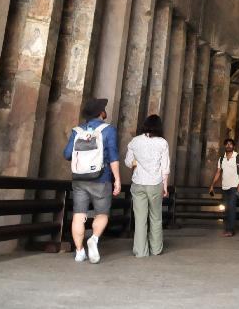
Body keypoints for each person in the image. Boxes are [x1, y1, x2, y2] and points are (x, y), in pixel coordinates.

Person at [63, 98, 121, 264]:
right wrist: (116, 179)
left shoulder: (77, 131)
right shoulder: (108, 130)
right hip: (101, 179)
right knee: (102, 214)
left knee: (78, 215)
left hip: (79, 180)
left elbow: (67, 154)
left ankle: (79, 252)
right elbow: (113, 157)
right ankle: (94, 239)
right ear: (101, 113)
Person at [124, 114, 170, 257]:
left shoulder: (135, 141)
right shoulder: (162, 143)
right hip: (155, 183)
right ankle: (156, 249)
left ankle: (140, 251)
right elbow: (165, 168)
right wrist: (165, 186)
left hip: (138, 183)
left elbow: (127, 162)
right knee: (156, 217)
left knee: (140, 219)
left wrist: (137, 163)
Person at [208, 138, 239, 237]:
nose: (228, 145)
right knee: (227, 208)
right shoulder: (221, 159)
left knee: (232, 207)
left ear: (233, 146)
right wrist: (212, 185)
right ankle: (227, 228)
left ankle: (230, 230)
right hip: (225, 187)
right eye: (227, 144)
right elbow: (218, 172)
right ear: (224, 146)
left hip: (234, 186)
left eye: (230, 144)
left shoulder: (238, 157)